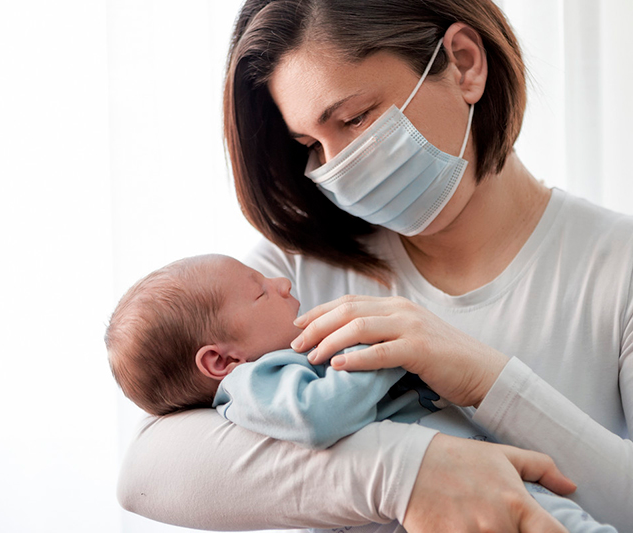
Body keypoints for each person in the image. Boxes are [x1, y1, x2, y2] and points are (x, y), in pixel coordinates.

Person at [115, 1, 633, 531]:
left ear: (463, 63)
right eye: (312, 144)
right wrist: (406, 472)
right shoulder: (293, 277)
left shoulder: (618, 266)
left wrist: (484, 379)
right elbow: (145, 473)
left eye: (354, 118)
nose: (336, 163)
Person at [106, 253, 616, 532]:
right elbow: (317, 414)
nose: (281, 281)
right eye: (260, 289)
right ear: (220, 361)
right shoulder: (253, 382)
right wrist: (381, 354)